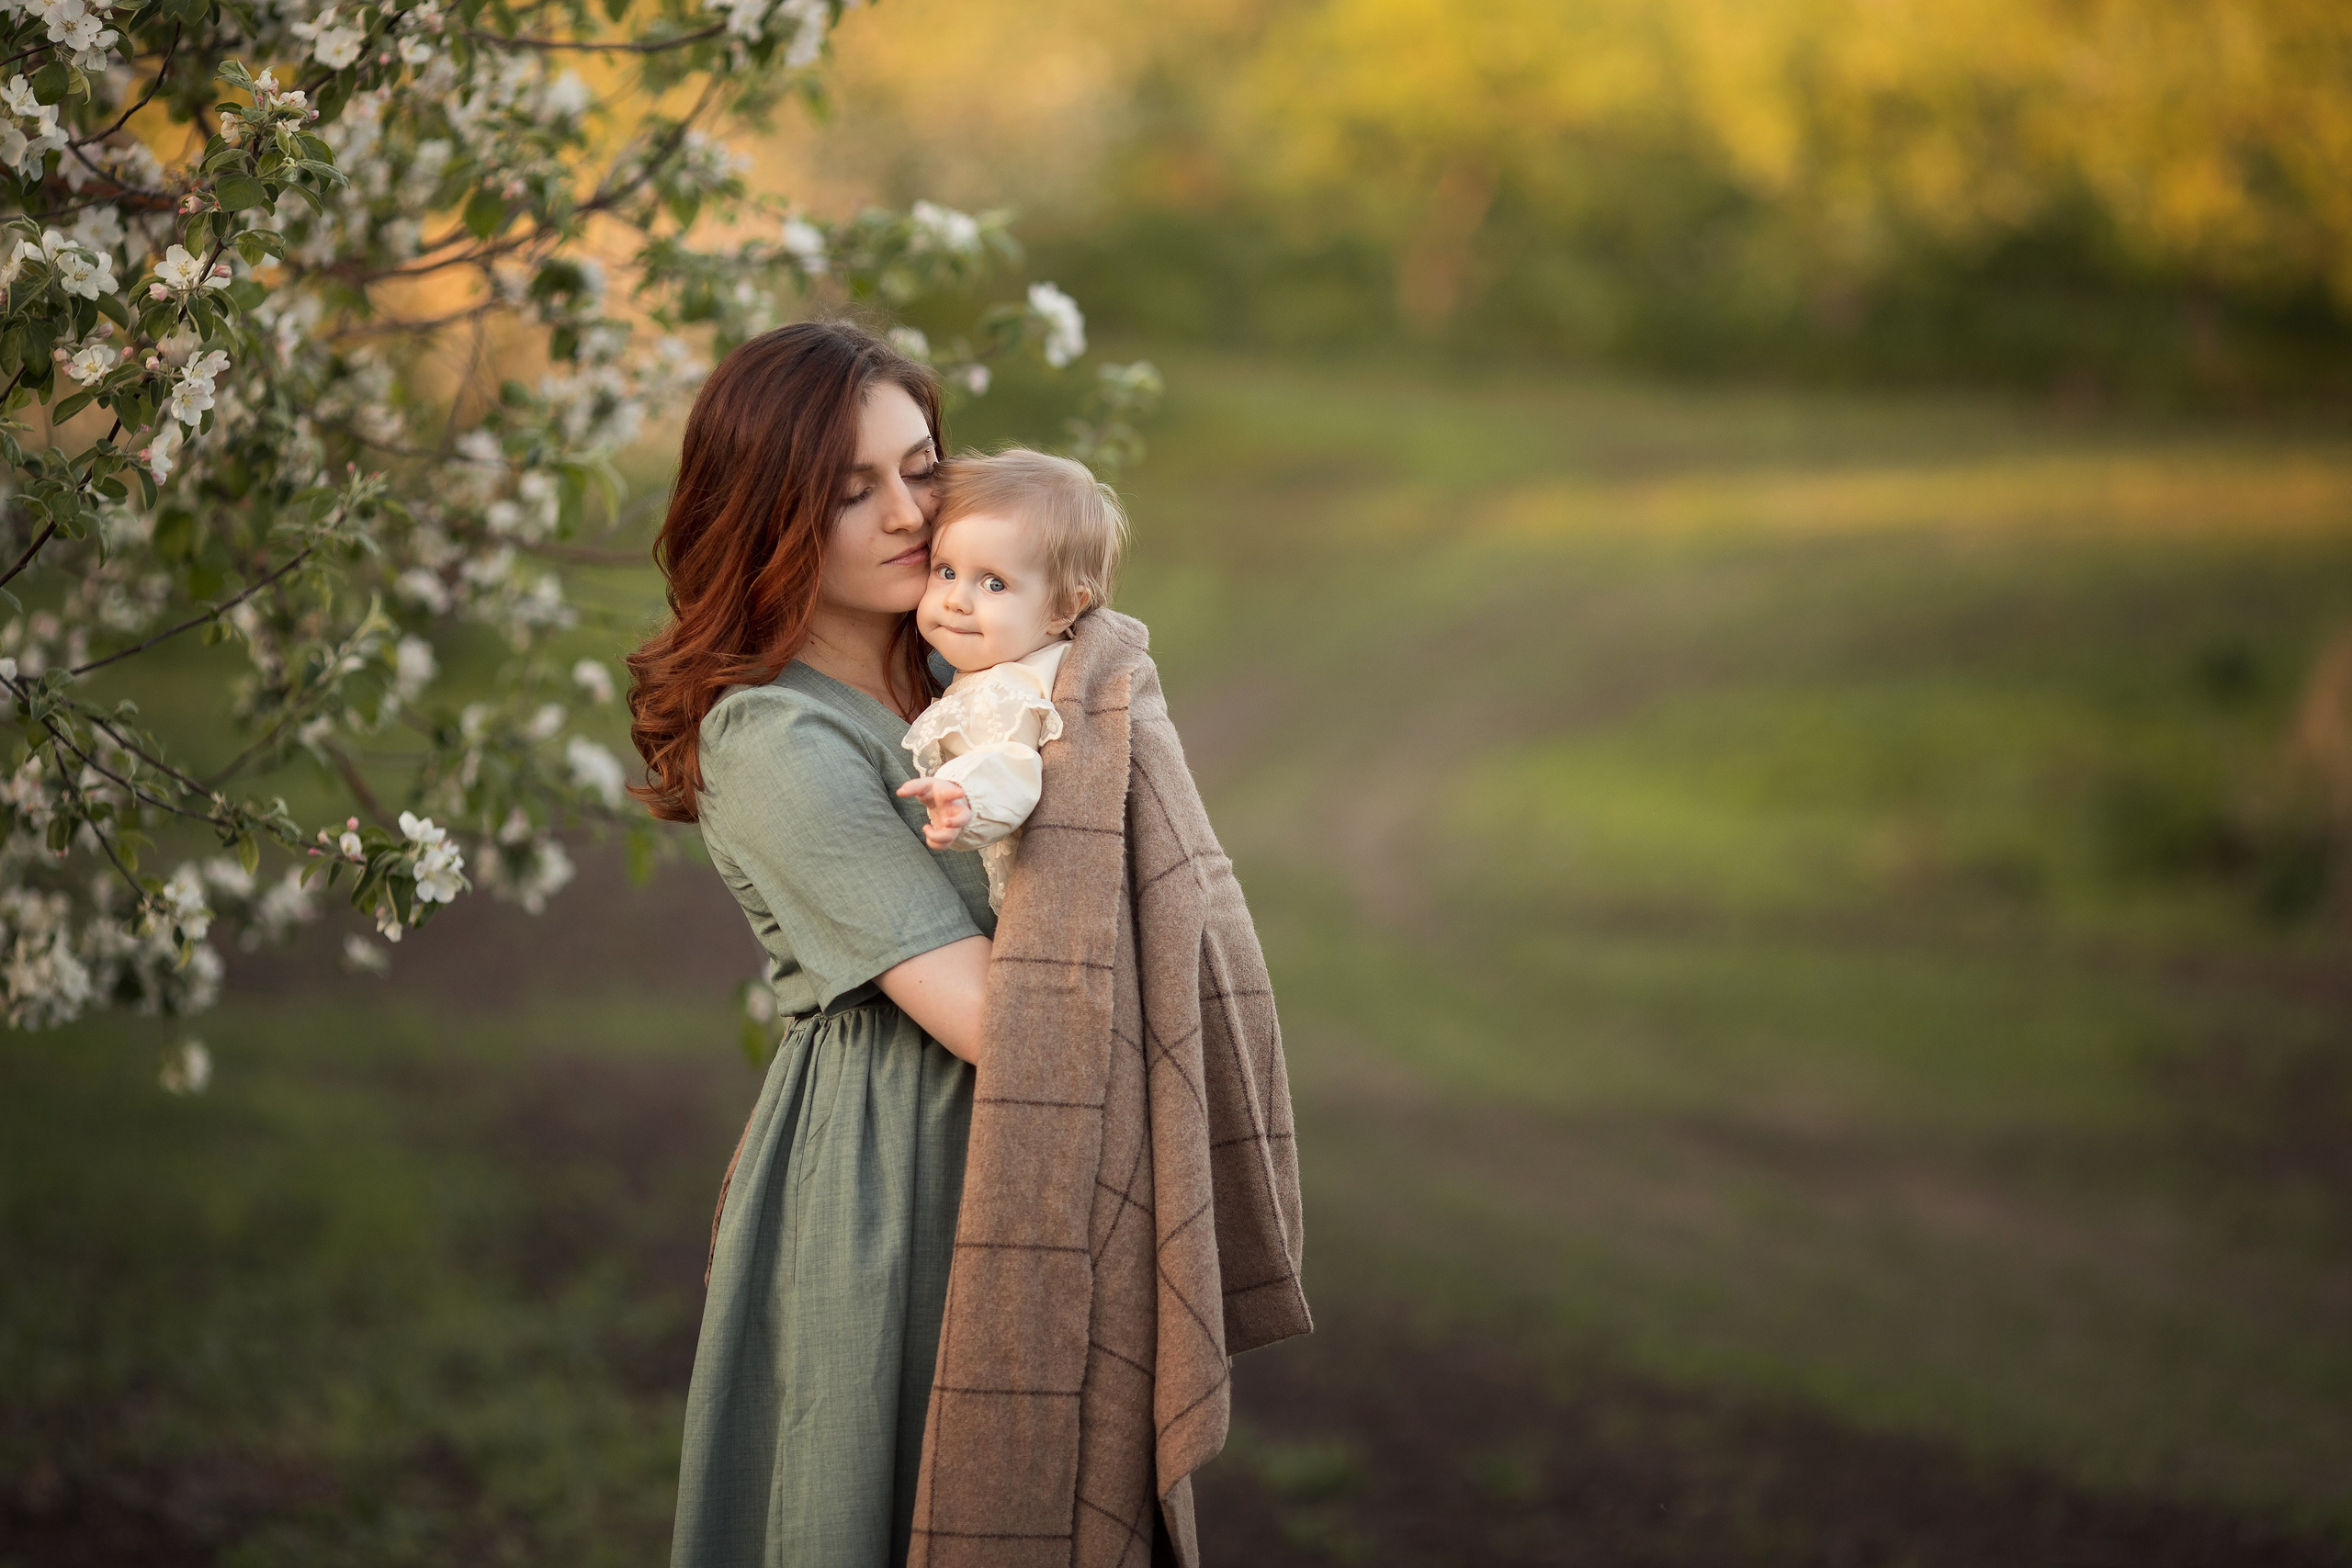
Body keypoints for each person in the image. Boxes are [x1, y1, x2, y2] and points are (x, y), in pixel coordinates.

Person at [627, 320, 996, 1568]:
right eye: (852, 490)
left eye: (922, 465)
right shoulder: (777, 738)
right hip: (894, 1170)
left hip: (1024, 1144)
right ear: (772, 514)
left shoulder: (972, 675)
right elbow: (993, 1016)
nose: (907, 511)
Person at [893, 448, 1129, 912]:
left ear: (1066, 608)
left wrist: (964, 798)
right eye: (946, 572)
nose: (957, 600)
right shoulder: (1037, 663)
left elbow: (1014, 764)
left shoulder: (1006, 691)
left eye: (994, 584)